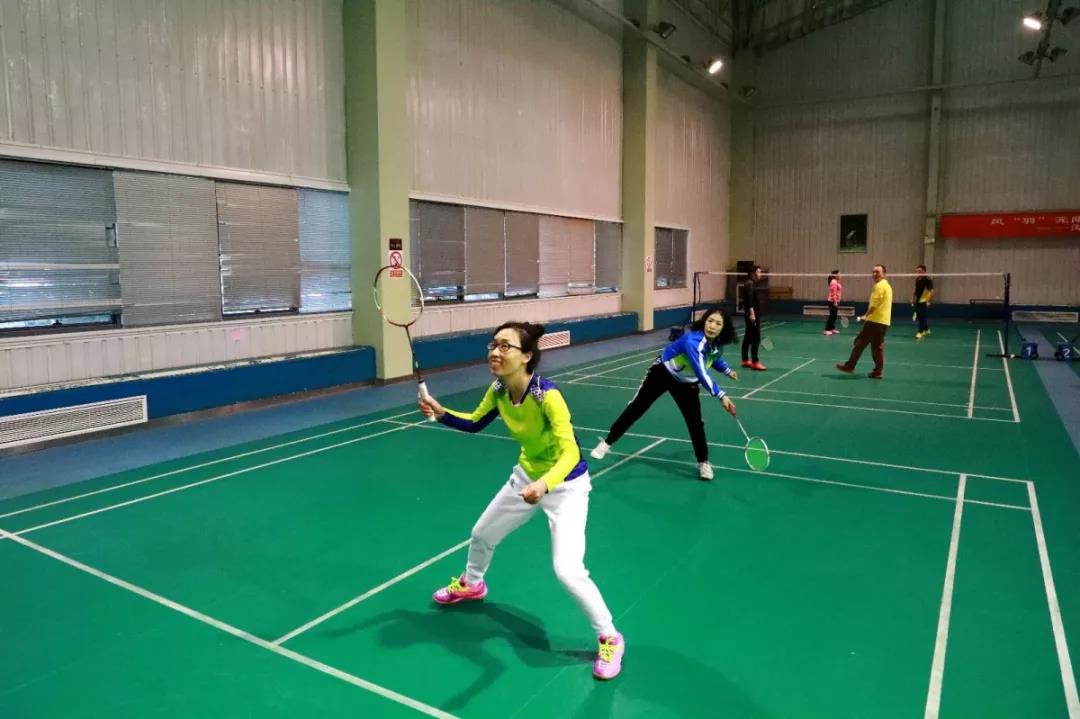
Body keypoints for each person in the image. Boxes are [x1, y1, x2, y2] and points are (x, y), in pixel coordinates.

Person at [418, 321, 625, 681]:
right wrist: (442, 413)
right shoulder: (499, 389)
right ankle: (472, 584)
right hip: (526, 478)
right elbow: (475, 422)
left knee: (568, 570)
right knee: (482, 534)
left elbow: (570, 453)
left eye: (505, 346)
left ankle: (610, 637)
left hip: (566, 487)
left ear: (527, 356)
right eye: (493, 345)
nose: (495, 352)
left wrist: (545, 485)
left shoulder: (548, 396)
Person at [590, 307, 738, 480]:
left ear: (723, 328)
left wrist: (726, 370)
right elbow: (701, 370)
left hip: (686, 384)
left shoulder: (717, 343)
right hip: (663, 373)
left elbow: (714, 357)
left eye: (718, 323)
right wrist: (721, 395)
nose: (712, 326)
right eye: (710, 321)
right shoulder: (692, 341)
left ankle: (703, 462)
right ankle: (607, 442)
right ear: (704, 321)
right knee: (637, 407)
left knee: (695, 423)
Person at [835, 264, 892, 379]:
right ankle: (878, 372)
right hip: (883, 321)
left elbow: (874, 305)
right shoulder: (887, 285)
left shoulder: (879, 286)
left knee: (859, 343)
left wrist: (865, 316)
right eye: (873, 272)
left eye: (877, 272)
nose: (874, 274)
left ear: (884, 274)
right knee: (877, 347)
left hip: (874, 321)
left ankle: (850, 366)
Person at [741, 266, 766, 371]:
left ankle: (745, 360)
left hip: (751, 313)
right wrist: (752, 314)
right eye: (759, 272)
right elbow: (750, 300)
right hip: (752, 314)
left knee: (748, 336)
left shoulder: (751, 283)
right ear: (752, 273)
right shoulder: (750, 284)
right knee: (756, 338)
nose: (760, 274)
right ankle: (755, 362)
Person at [913, 264, 934, 339]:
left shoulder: (928, 279)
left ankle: (920, 332)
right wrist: (913, 299)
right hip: (918, 300)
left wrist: (929, 301)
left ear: (924, 271)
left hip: (924, 300)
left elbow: (931, 291)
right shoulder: (917, 279)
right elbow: (916, 290)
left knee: (921, 316)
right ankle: (926, 329)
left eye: (920, 271)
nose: (918, 273)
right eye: (917, 271)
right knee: (920, 316)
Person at [824, 270, 842, 336]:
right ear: (835, 275)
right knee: (832, 316)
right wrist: (835, 302)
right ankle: (826, 330)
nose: (840, 275)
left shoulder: (836, 281)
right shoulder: (834, 282)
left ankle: (832, 329)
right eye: (839, 274)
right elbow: (833, 293)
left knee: (834, 316)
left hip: (835, 301)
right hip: (832, 301)